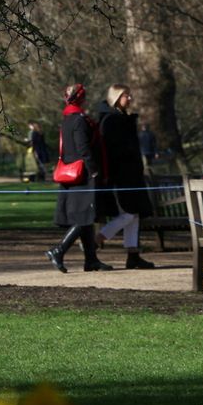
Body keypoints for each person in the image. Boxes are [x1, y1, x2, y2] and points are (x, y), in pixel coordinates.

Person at [48, 84, 115, 273]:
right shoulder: (79, 120)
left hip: (73, 173)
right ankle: (58, 250)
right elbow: (83, 148)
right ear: (82, 99)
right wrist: (94, 170)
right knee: (84, 216)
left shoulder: (67, 119)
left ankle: (91, 259)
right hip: (82, 174)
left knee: (86, 217)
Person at [95, 85, 157, 270]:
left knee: (134, 214)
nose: (129, 99)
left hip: (132, 174)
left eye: (129, 95)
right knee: (128, 213)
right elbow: (113, 150)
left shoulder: (122, 119)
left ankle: (133, 254)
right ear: (116, 98)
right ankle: (97, 240)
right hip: (121, 175)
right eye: (125, 96)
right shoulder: (111, 121)